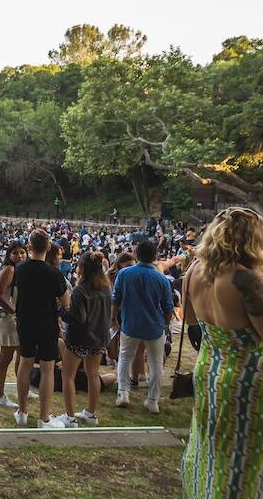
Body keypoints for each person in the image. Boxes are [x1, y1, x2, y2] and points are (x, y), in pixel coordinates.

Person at [182, 207, 263, 499]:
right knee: (241, 458)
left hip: (209, 369)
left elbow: (190, 321)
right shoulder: (247, 280)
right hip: (246, 379)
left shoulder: (193, 272)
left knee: (209, 447)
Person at [13, 229, 71, 429]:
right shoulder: (53, 273)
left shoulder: (20, 269)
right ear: (48, 247)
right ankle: (44, 417)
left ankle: (22, 411)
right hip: (46, 322)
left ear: (29, 247)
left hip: (25, 320)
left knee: (25, 363)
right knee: (47, 368)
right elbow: (65, 301)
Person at [113, 240, 174, 413]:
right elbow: (168, 307)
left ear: (136, 255)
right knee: (155, 363)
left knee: (125, 357)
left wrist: (113, 317)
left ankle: (123, 393)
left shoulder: (124, 274)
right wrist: (166, 324)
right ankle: (153, 400)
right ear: (155, 256)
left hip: (130, 323)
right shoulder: (161, 278)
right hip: (154, 326)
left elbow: (115, 298)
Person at [58, 252, 112, 427]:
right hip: (99, 338)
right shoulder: (106, 288)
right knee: (93, 374)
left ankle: (70, 416)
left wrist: (61, 309)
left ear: (82, 269)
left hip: (80, 338)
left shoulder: (80, 291)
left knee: (68, 376)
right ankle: (91, 413)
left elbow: (77, 317)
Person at [0, 241, 26, 408]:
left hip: (15, 318)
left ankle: (23, 389)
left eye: (22, 252)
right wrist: (14, 311)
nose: (19, 256)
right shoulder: (10, 269)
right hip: (9, 319)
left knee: (22, 354)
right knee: (5, 358)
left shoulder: (19, 270)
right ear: (9, 255)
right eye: (15, 253)